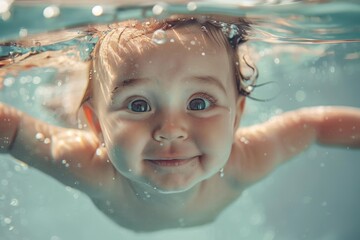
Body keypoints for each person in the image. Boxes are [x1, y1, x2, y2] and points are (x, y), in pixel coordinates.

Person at [0, 17, 359, 232]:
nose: (170, 129)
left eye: (199, 103)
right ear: (95, 127)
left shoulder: (244, 160)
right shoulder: (92, 166)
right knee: (67, 104)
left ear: (238, 117)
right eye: (139, 105)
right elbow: (13, 131)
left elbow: (313, 126)